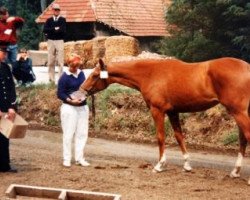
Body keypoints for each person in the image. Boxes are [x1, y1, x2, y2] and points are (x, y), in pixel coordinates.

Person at [57, 53, 90, 167]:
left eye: (77, 66)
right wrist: (70, 100)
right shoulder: (64, 77)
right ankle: (66, 158)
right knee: (68, 134)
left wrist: (83, 96)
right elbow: (60, 93)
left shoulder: (81, 74)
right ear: (69, 65)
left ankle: (79, 158)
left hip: (82, 106)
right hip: (69, 107)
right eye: (73, 66)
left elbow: (84, 88)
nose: (75, 69)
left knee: (82, 133)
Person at [0, 44, 18, 173]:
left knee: (5, 137)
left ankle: (4, 165)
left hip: (5, 109)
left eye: (5, 53)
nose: (5, 54)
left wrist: (12, 106)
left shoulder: (6, 67)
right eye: (2, 52)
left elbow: (11, 88)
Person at [43, 3, 66, 83]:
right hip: (50, 41)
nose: (56, 11)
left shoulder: (62, 20)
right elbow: (45, 30)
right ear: (53, 10)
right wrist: (55, 29)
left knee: (60, 61)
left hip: (59, 41)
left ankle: (61, 80)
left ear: (59, 11)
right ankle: (51, 79)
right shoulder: (48, 20)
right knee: (50, 61)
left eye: (58, 10)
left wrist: (51, 30)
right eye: (55, 10)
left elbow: (63, 30)